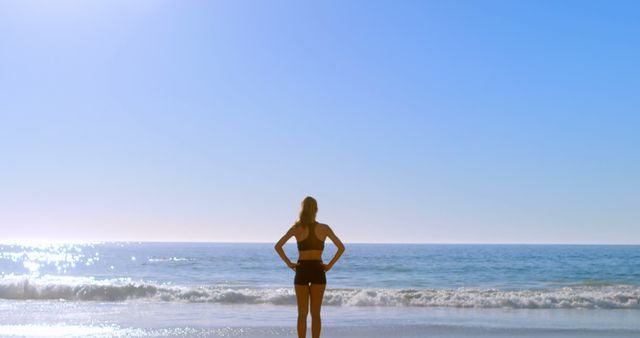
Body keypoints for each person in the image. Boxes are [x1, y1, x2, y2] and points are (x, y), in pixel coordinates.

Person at [274, 196, 345, 338]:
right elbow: (341, 248)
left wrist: (289, 264)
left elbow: (278, 246)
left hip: (302, 270)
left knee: (302, 314)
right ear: (316, 209)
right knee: (316, 314)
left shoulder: (297, 228)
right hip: (319, 270)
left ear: (303, 209)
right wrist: (329, 265)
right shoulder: (324, 228)